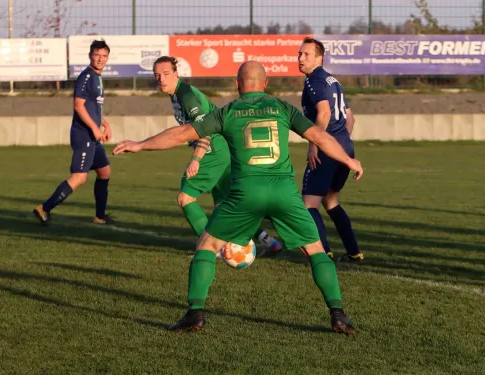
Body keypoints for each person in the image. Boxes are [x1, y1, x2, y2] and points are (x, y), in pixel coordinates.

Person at [113, 61, 364, 335]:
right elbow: (320, 136)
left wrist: (140, 145)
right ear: (265, 84)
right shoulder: (283, 108)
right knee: (315, 250)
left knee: (207, 246)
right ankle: (338, 314)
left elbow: (183, 134)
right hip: (283, 192)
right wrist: (349, 160)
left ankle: (195, 314)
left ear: (236, 84)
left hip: (245, 193)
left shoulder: (227, 111)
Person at [152, 56, 282, 255]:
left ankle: (213, 250)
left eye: (166, 74)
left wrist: (196, 159)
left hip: (214, 150)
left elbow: (205, 129)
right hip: (224, 148)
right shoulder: (178, 95)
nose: (161, 78)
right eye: (157, 75)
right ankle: (267, 240)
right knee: (226, 204)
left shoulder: (186, 95)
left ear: (176, 74)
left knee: (185, 198)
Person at [32, 40, 113, 225]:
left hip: (93, 135)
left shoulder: (97, 77)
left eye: (104, 56)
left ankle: (99, 216)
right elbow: (78, 105)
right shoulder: (86, 76)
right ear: (90, 56)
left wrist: (104, 124)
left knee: (104, 172)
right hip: (84, 134)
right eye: (97, 55)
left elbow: (93, 108)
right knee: (79, 177)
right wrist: (94, 127)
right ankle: (44, 209)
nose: (100, 59)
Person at [298, 37, 363, 263]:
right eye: (299, 54)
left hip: (327, 147)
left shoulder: (314, 81)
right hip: (344, 145)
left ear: (319, 58)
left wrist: (315, 145)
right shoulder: (333, 80)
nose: (301, 58)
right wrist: (343, 143)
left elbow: (324, 114)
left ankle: (323, 253)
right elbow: (350, 117)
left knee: (308, 204)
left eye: (306, 55)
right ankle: (354, 252)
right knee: (331, 201)